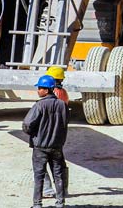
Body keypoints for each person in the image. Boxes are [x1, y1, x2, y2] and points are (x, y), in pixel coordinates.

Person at [23, 75, 69, 208]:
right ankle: (60, 203)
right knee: (58, 175)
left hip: (41, 147)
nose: (38, 90)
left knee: (39, 176)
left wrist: (34, 135)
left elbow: (27, 124)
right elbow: (65, 123)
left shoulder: (39, 105)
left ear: (46, 90)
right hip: (57, 147)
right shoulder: (62, 105)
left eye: (40, 88)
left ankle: (37, 204)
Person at [41, 66, 70, 199]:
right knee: (59, 164)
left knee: (43, 163)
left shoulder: (52, 95)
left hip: (46, 135)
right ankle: (63, 190)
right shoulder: (63, 93)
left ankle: (47, 189)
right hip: (58, 135)